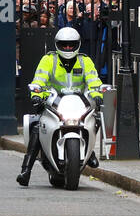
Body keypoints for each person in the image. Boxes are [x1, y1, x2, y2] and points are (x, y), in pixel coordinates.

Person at [16, 26, 103, 186]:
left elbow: (93, 80)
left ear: (77, 44)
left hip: (79, 102)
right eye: (64, 45)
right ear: (57, 44)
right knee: (37, 125)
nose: (68, 48)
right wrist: (37, 94)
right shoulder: (49, 60)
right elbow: (39, 80)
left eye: (71, 45)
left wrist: (97, 94)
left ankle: (90, 153)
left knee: (94, 120)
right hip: (53, 101)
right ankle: (26, 169)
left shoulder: (85, 61)